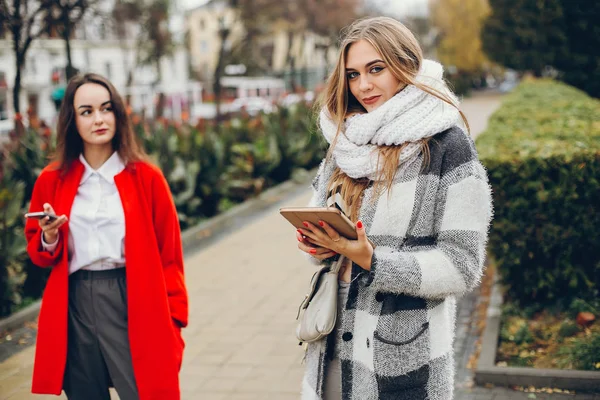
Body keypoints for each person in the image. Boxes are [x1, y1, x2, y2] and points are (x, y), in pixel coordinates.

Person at [295, 17, 493, 400]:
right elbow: (321, 217)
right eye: (353, 74)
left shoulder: (448, 146)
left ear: (406, 65)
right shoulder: (345, 141)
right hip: (331, 339)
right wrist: (318, 243)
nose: (363, 85)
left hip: (402, 359)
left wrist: (373, 260)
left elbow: (463, 266)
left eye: (376, 69)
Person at [24, 73, 188, 400]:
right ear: (72, 120)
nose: (98, 119)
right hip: (74, 300)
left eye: (106, 108)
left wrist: (173, 318)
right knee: (85, 392)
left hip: (133, 297)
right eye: (86, 111)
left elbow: (169, 255)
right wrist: (50, 237)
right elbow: (39, 251)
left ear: (118, 114)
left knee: (144, 391)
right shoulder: (52, 179)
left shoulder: (147, 178)